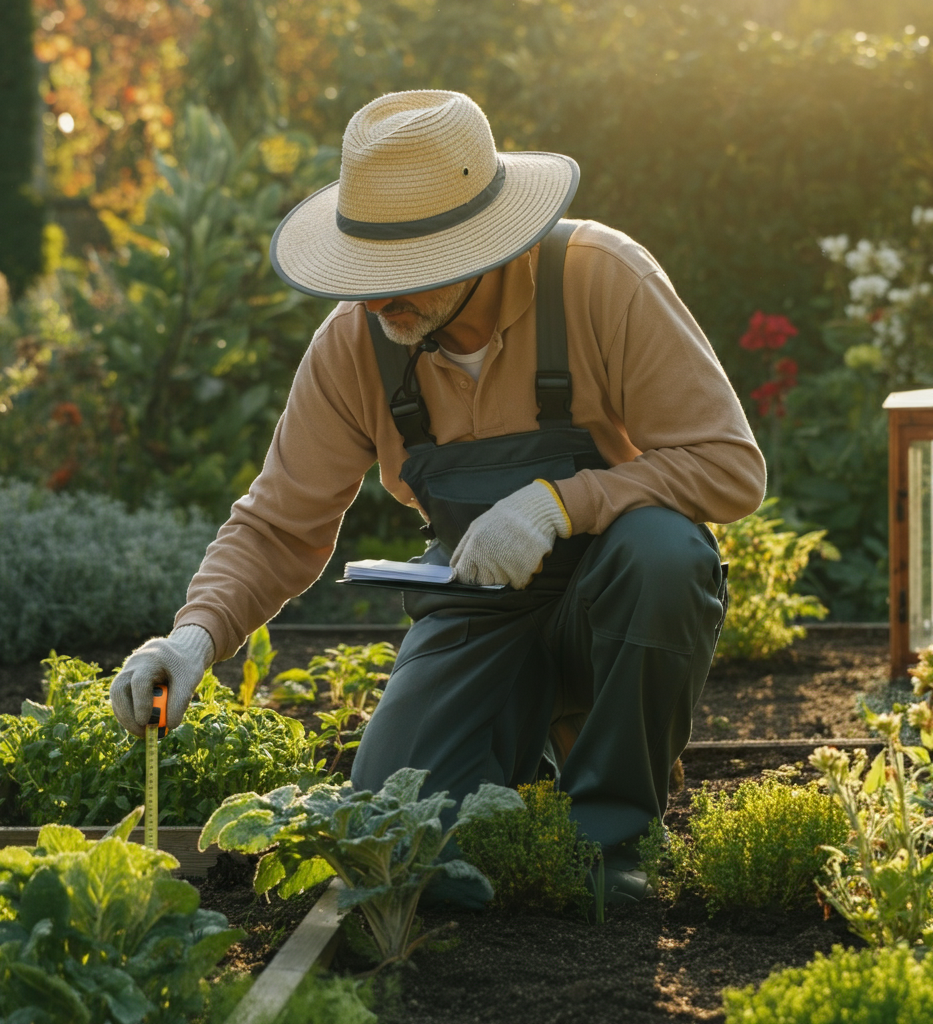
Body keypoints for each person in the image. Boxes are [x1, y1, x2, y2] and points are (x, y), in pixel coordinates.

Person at [111, 90, 766, 904]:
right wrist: (194, 638)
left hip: (616, 600)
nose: (379, 298)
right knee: (408, 850)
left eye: (408, 273)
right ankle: (538, 757)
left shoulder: (599, 280)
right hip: (478, 604)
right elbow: (281, 524)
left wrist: (562, 504)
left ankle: (615, 840)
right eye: (366, 272)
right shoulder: (357, 344)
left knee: (665, 553)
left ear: (486, 246)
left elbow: (729, 466)